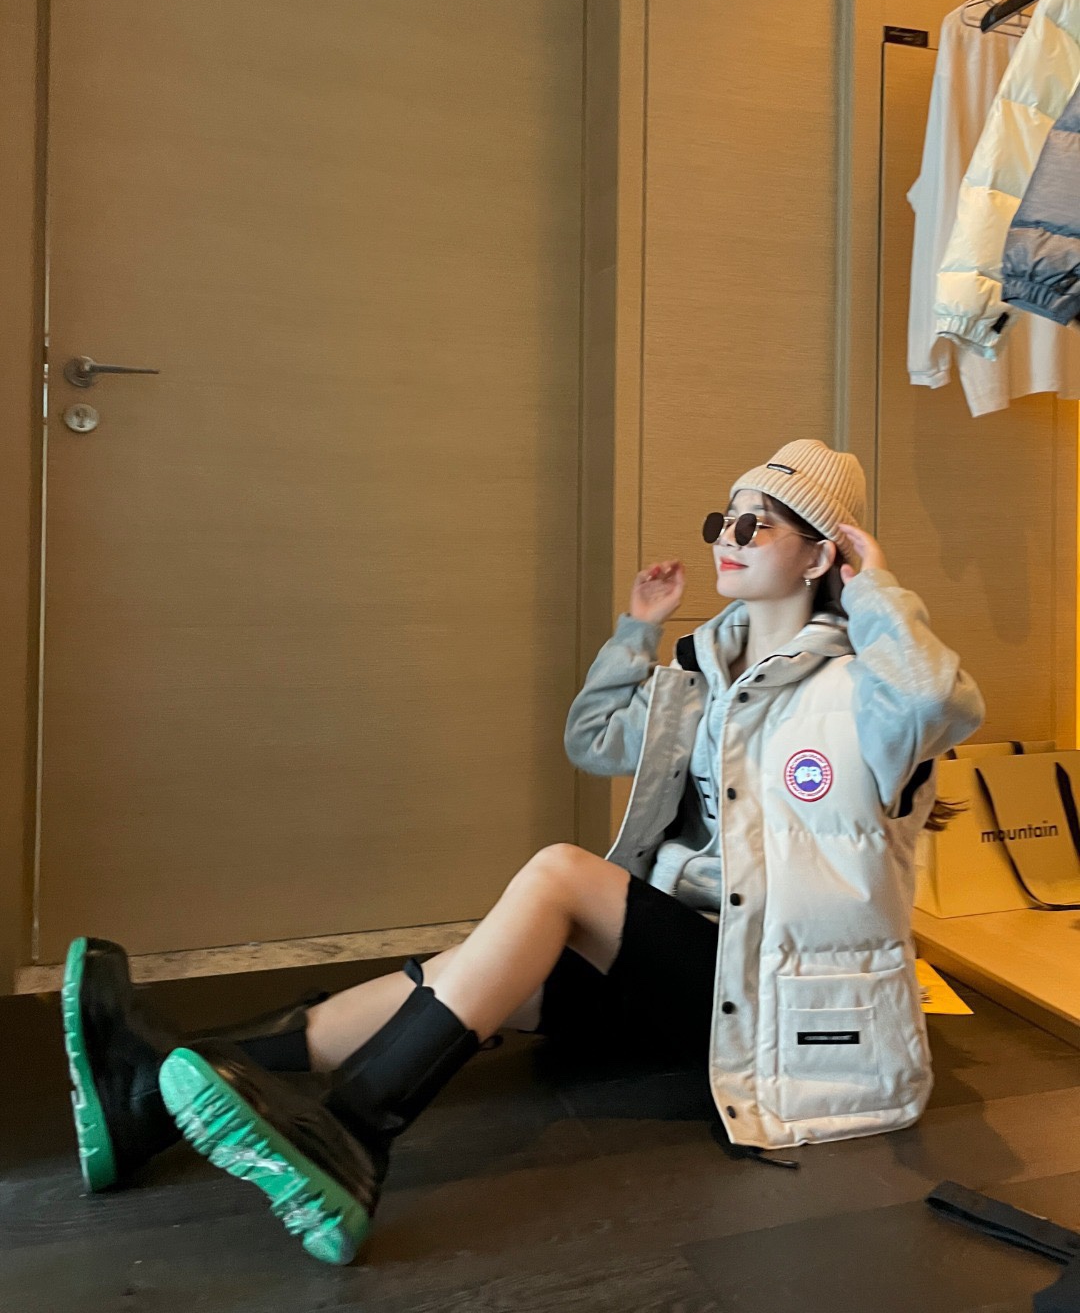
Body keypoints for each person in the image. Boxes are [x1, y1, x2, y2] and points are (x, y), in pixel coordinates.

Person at [60, 438, 985, 1266]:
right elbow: (593, 739)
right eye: (722, 520)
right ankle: (148, 1089)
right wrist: (638, 632)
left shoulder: (868, 693)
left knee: (559, 874)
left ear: (821, 555)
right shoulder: (703, 674)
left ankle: (354, 1130)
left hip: (772, 988)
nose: (727, 538)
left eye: (757, 524)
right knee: (464, 972)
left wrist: (875, 587)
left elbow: (939, 702)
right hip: (688, 966)